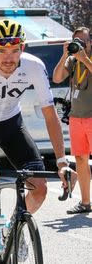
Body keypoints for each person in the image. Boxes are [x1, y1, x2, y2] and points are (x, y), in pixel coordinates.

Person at [0, 19, 70, 264]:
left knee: (40, 189)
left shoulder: (34, 66)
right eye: (2, 51)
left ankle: (12, 227)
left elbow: (50, 115)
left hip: (12, 125)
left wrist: (62, 161)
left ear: (23, 48)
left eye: (15, 50)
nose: (9, 58)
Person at [53, 26, 92, 214]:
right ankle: (85, 203)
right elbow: (57, 77)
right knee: (81, 160)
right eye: (77, 42)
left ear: (90, 43)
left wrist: (85, 59)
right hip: (77, 118)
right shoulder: (72, 60)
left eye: (83, 42)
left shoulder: (87, 59)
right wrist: (65, 55)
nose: (80, 46)